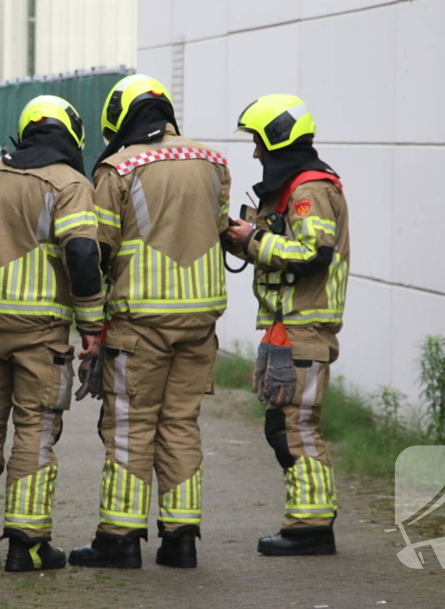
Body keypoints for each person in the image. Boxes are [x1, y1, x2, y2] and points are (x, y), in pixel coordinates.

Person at [68, 75, 231, 569]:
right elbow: (220, 228)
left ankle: (119, 540)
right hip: (199, 320)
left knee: (130, 427)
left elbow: (100, 247)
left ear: (120, 117)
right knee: (180, 424)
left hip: (139, 323)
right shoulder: (213, 162)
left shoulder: (118, 168)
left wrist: (90, 317)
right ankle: (181, 540)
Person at [0, 95, 104, 572]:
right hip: (39, 331)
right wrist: (91, 325)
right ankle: (26, 545)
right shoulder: (71, 184)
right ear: (73, 135)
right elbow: (82, 253)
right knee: (35, 430)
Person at [225, 94, 349, 556]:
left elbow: (313, 255)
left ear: (278, 139)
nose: (256, 152)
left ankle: (311, 528)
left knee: (297, 428)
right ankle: (306, 522)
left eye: (258, 141)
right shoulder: (293, 187)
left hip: (305, 329)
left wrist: (254, 239)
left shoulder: (309, 188)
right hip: (288, 327)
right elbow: (278, 244)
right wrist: (239, 237)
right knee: (283, 427)